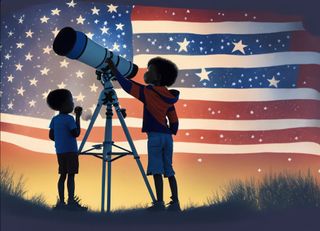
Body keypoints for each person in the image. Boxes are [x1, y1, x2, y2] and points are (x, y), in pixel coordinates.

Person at [106, 57, 181, 211]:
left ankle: (159, 203)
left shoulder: (148, 92)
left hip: (154, 136)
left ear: (158, 77)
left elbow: (128, 86)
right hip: (167, 137)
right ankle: (175, 202)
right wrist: (171, 131)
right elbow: (174, 121)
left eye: (149, 71)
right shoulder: (169, 97)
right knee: (169, 169)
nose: (146, 73)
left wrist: (114, 68)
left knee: (156, 170)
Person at [47, 89, 87, 211]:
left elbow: (51, 136)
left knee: (62, 175)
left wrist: (61, 141)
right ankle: (71, 201)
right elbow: (76, 133)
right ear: (63, 104)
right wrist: (78, 117)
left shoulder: (55, 119)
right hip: (70, 151)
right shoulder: (70, 119)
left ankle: (62, 202)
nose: (73, 104)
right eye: (71, 101)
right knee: (71, 176)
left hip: (60, 151)